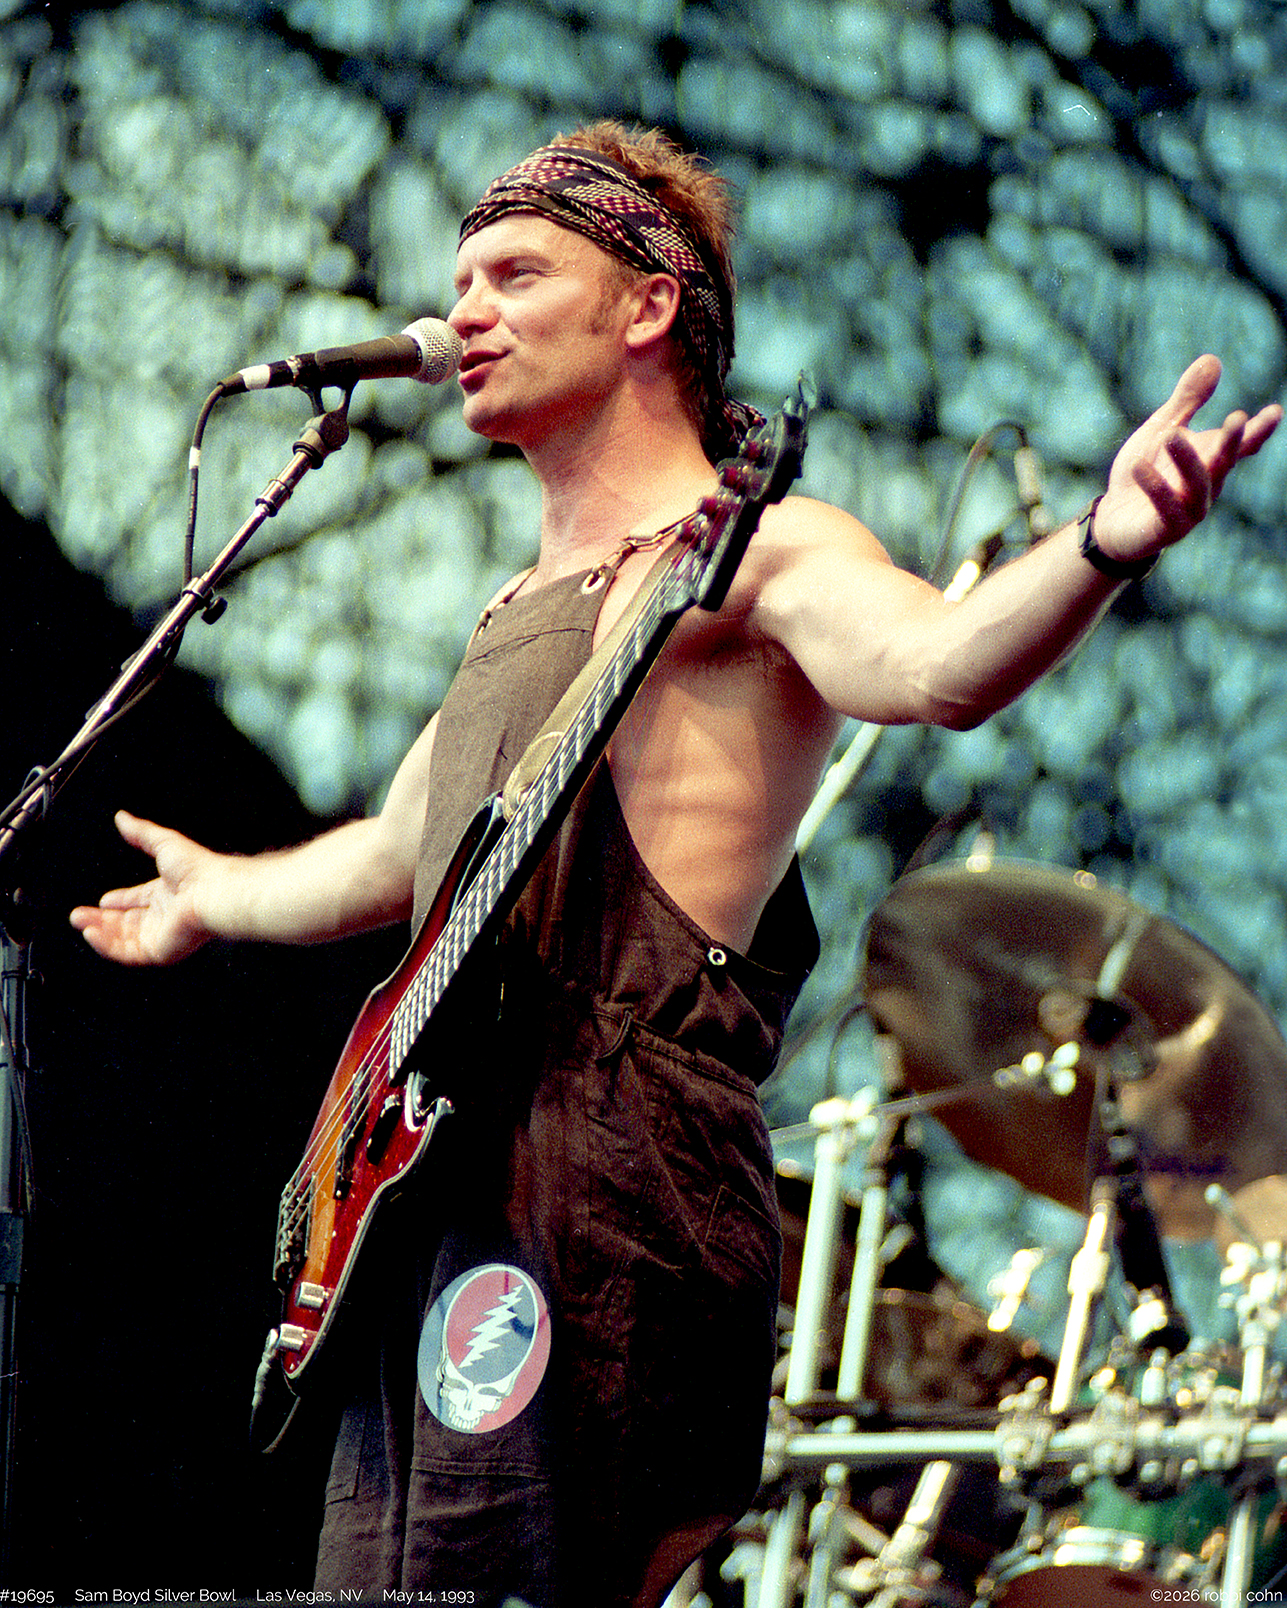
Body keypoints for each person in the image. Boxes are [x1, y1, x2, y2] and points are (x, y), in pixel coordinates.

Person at [70, 122, 1282, 1607]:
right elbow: (397, 850)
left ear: (649, 304)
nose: (465, 312)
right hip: (431, 1171)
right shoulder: (514, 613)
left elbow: (939, 663)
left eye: (516, 273)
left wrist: (1106, 536)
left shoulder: (762, 547)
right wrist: (217, 896)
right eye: (461, 280)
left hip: (608, 1154)